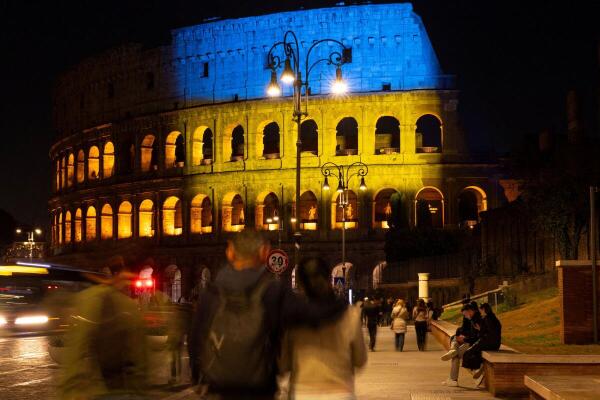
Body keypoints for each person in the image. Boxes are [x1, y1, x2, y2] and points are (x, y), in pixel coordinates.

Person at [188, 230, 346, 399]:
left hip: (218, 388)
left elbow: (196, 340)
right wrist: (340, 301)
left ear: (230, 252)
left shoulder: (211, 293)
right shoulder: (273, 291)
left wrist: (198, 378)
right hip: (260, 389)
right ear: (264, 253)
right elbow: (314, 315)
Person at [59, 256, 148, 399]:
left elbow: (76, 349)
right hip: (108, 388)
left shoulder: (86, 299)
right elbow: (138, 355)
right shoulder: (126, 305)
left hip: (98, 388)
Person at [279, 258, 367, 399]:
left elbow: (283, 363)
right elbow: (360, 359)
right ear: (328, 279)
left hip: (303, 392)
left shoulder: (292, 316)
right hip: (340, 392)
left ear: (301, 284)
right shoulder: (350, 314)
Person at [441, 303, 482, 387]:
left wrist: (464, 338)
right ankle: (453, 350)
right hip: (470, 341)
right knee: (455, 339)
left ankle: (453, 379)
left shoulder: (477, 320)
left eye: (465, 314)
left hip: (474, 343)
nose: (465, 317)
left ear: (470, 311)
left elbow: (476, 337)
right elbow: (467, 330)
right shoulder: (472, 318)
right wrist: (462, 335)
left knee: (455, 355)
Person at [463, 303, 502, 382]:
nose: (480, 313)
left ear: (484, 309)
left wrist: (480, 330)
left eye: (481, 311)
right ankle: (479, 368)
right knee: (474, 352)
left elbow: (486, 334)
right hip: (494, 343)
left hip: (488, 342)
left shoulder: (487, 319)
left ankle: (477, 369)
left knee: (467, 353)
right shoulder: (492, 318)